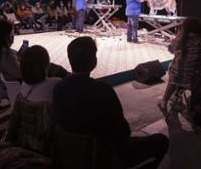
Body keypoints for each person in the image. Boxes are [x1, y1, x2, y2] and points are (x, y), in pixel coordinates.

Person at [53, 37, 168, 169]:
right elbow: (123, 132)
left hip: (71, 153)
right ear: (94, 61)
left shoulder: (58, 88)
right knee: (161, 140)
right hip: (105, 155)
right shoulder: (103, 91)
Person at [158, 18, 201, 113]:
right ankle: (177, 95)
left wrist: (174, 43)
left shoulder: (181, 39)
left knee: (173, 70)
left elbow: (170, 50)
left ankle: (164, 100)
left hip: (180, 76)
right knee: (184, 68)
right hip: (197, 79)